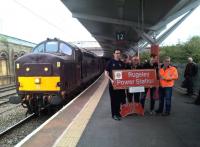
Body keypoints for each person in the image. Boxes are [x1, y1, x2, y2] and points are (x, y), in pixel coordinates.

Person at [105, 49, 125, 121]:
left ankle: (118, 112)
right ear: (113, 54)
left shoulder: (122, 63)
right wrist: (111, 80)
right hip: (113, 85)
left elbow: (124, 73)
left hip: (120, 85)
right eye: (116, 53)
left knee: (119, 99)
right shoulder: (110, 62)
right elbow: (106, 73)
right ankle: (114, 114)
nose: (118, 54)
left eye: (119, 53)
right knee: (114, 100)